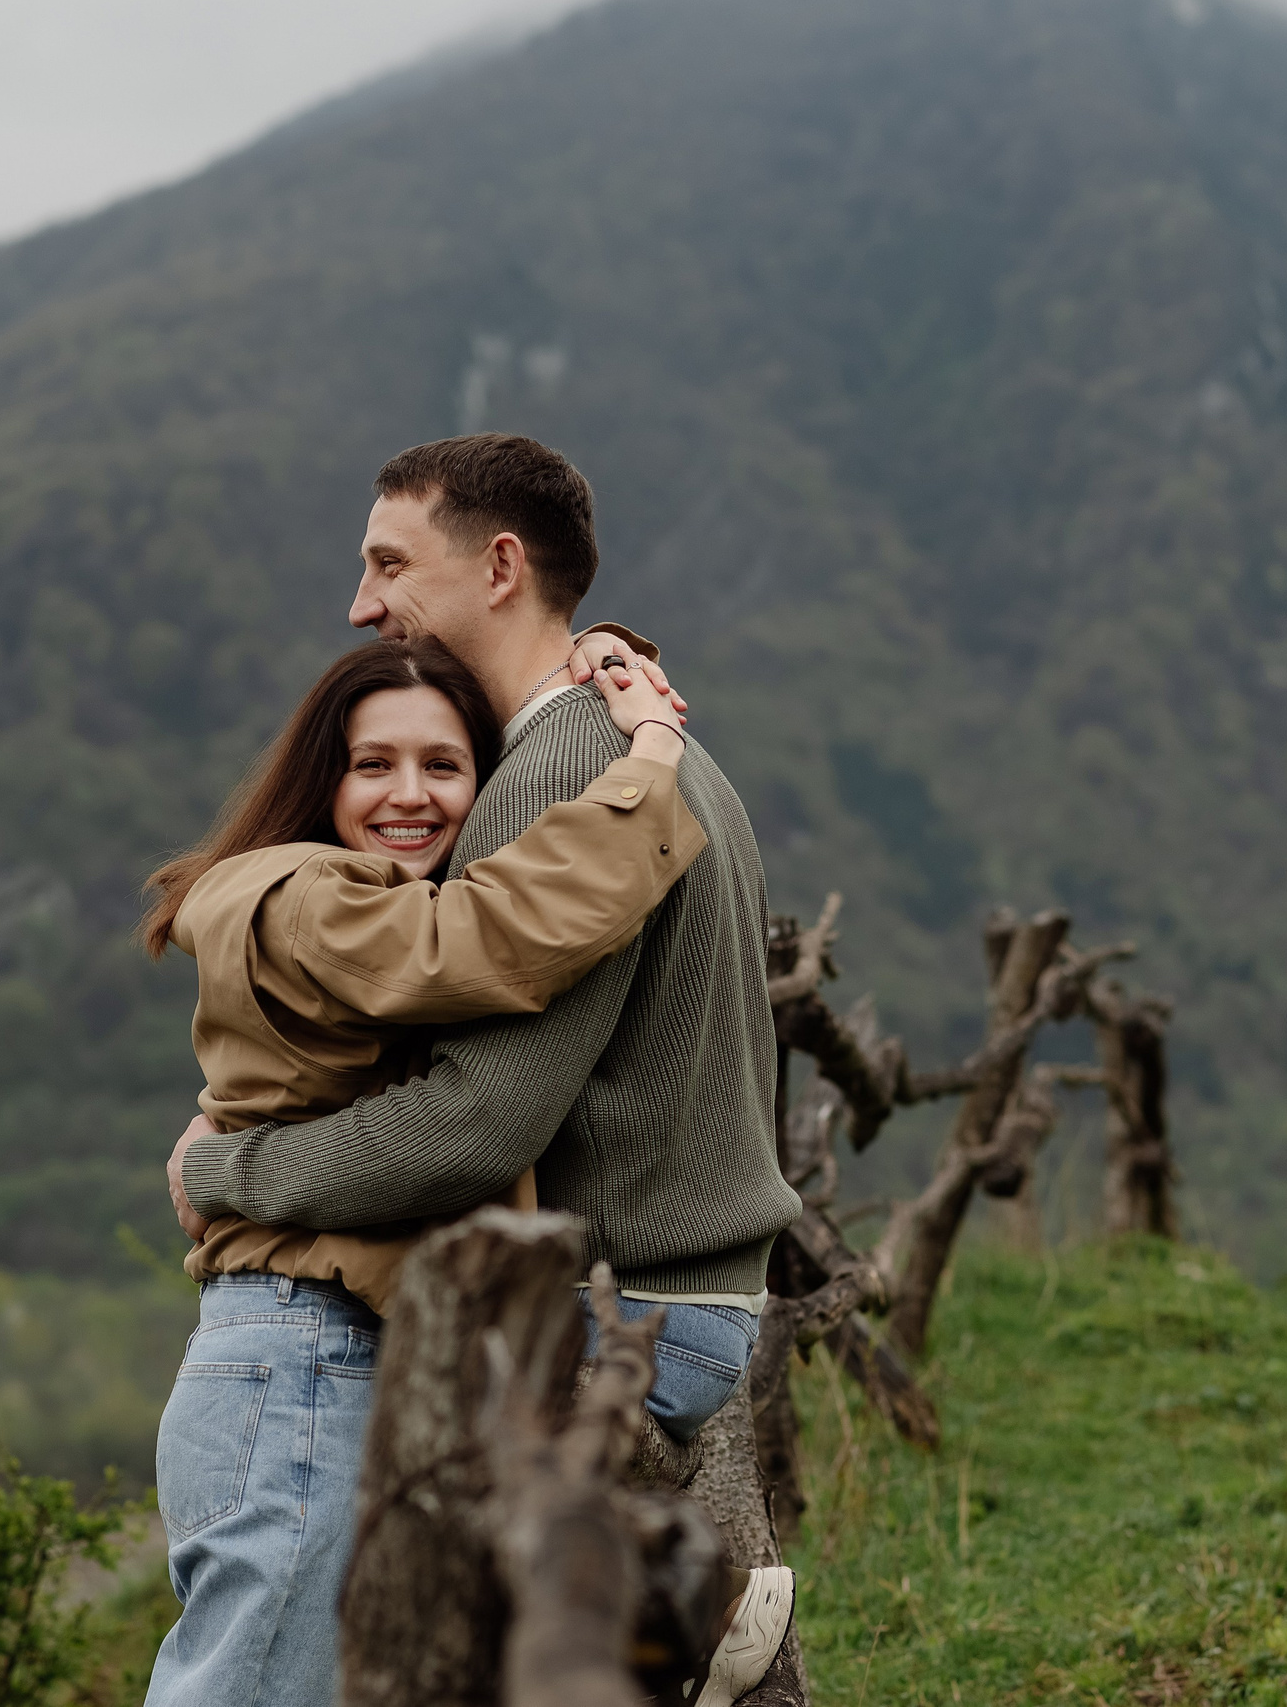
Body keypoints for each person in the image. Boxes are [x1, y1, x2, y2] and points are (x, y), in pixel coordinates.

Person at [162, 434, 802, 1707]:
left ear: (499, 565)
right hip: (700, 1300)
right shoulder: (649, 748)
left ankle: (664, 1608)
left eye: (389, 562)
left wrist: (229, 1168)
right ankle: (654, 1609)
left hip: (626, 1312)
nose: (361, 601)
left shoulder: (561, 772)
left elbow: (474, 1124)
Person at [140, 626, 698, 1706]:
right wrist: (652, 759)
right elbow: (487, 936)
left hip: (333, 1351)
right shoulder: (306, 893)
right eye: (373, 763)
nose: (411, 794)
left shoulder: (355, 900)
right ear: (321, 779)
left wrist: (580, 645)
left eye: (445, 765)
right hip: (306, 1355)